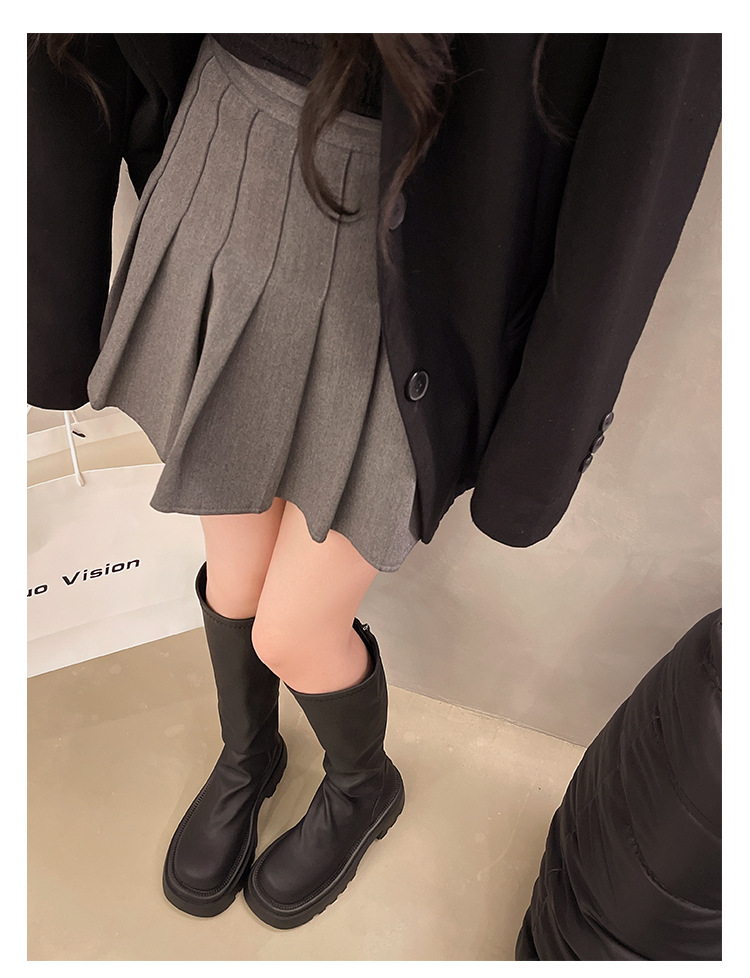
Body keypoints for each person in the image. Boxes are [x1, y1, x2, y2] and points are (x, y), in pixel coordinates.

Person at [27, 34, 721, 930]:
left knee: (292, 628)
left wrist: (546, 437)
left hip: (419, 246)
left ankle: (362, 785)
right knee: (236, 581)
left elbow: (647, 135)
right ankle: (249, 755)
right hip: (223, 162)